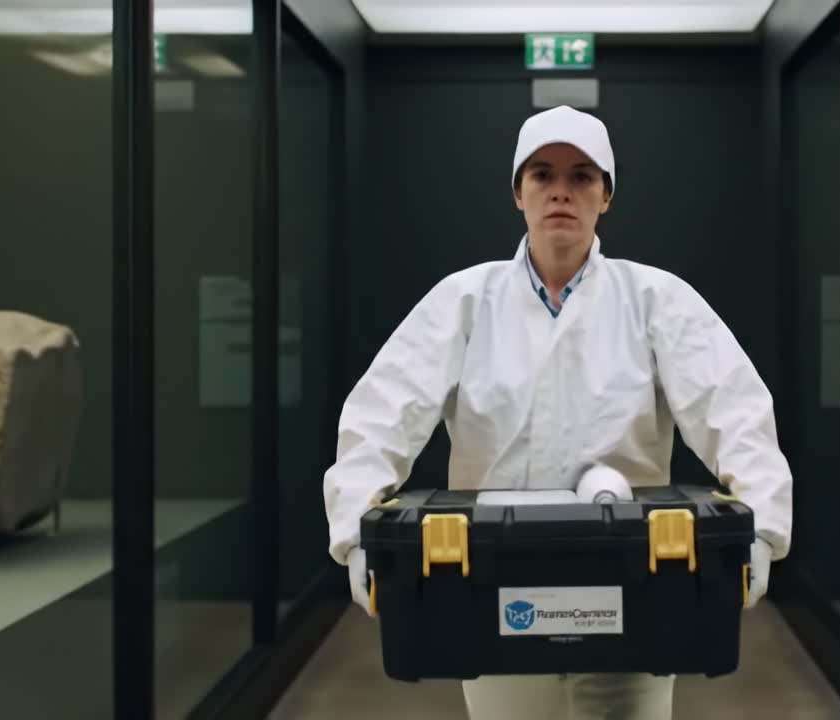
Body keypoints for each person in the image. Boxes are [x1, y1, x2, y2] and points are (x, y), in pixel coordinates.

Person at [322, 105, 794, 720]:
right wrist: (358, 532)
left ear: (606, 197)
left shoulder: (655, 301)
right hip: (491, 590)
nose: (561, 192)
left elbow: (735, 410)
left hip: (636, 587)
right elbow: (383, 413)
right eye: (543, 175)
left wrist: (760, 530)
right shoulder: (464, 302)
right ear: (518, 193)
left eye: (582, 177)